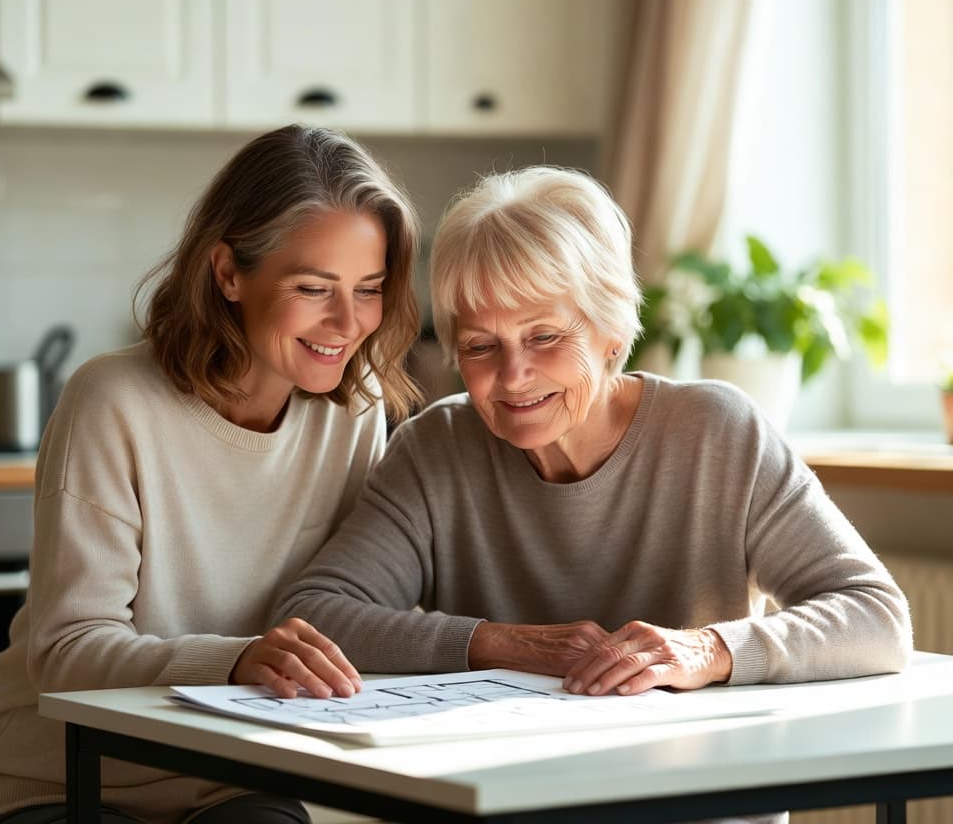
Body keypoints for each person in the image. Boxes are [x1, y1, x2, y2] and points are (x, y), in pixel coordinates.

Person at [274, 166, 912, 822]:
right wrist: (503, 643)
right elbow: (314, 614)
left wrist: (708, 650)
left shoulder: (718, 432)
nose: (512, 376)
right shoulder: (436, 448)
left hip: (693, 805)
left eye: (544, 336)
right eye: (481, 346)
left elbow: (874, 615)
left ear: (611, 330)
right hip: (508, 805)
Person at [0, 124, 422, 824]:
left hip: (231, 776)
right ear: (228, 273)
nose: (348, 322)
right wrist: (235, 660)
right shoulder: (112, 400)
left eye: (369, 289)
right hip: (56, 774)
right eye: (314, 287)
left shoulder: (356, 413)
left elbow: (347, 605)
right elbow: (68, 650)